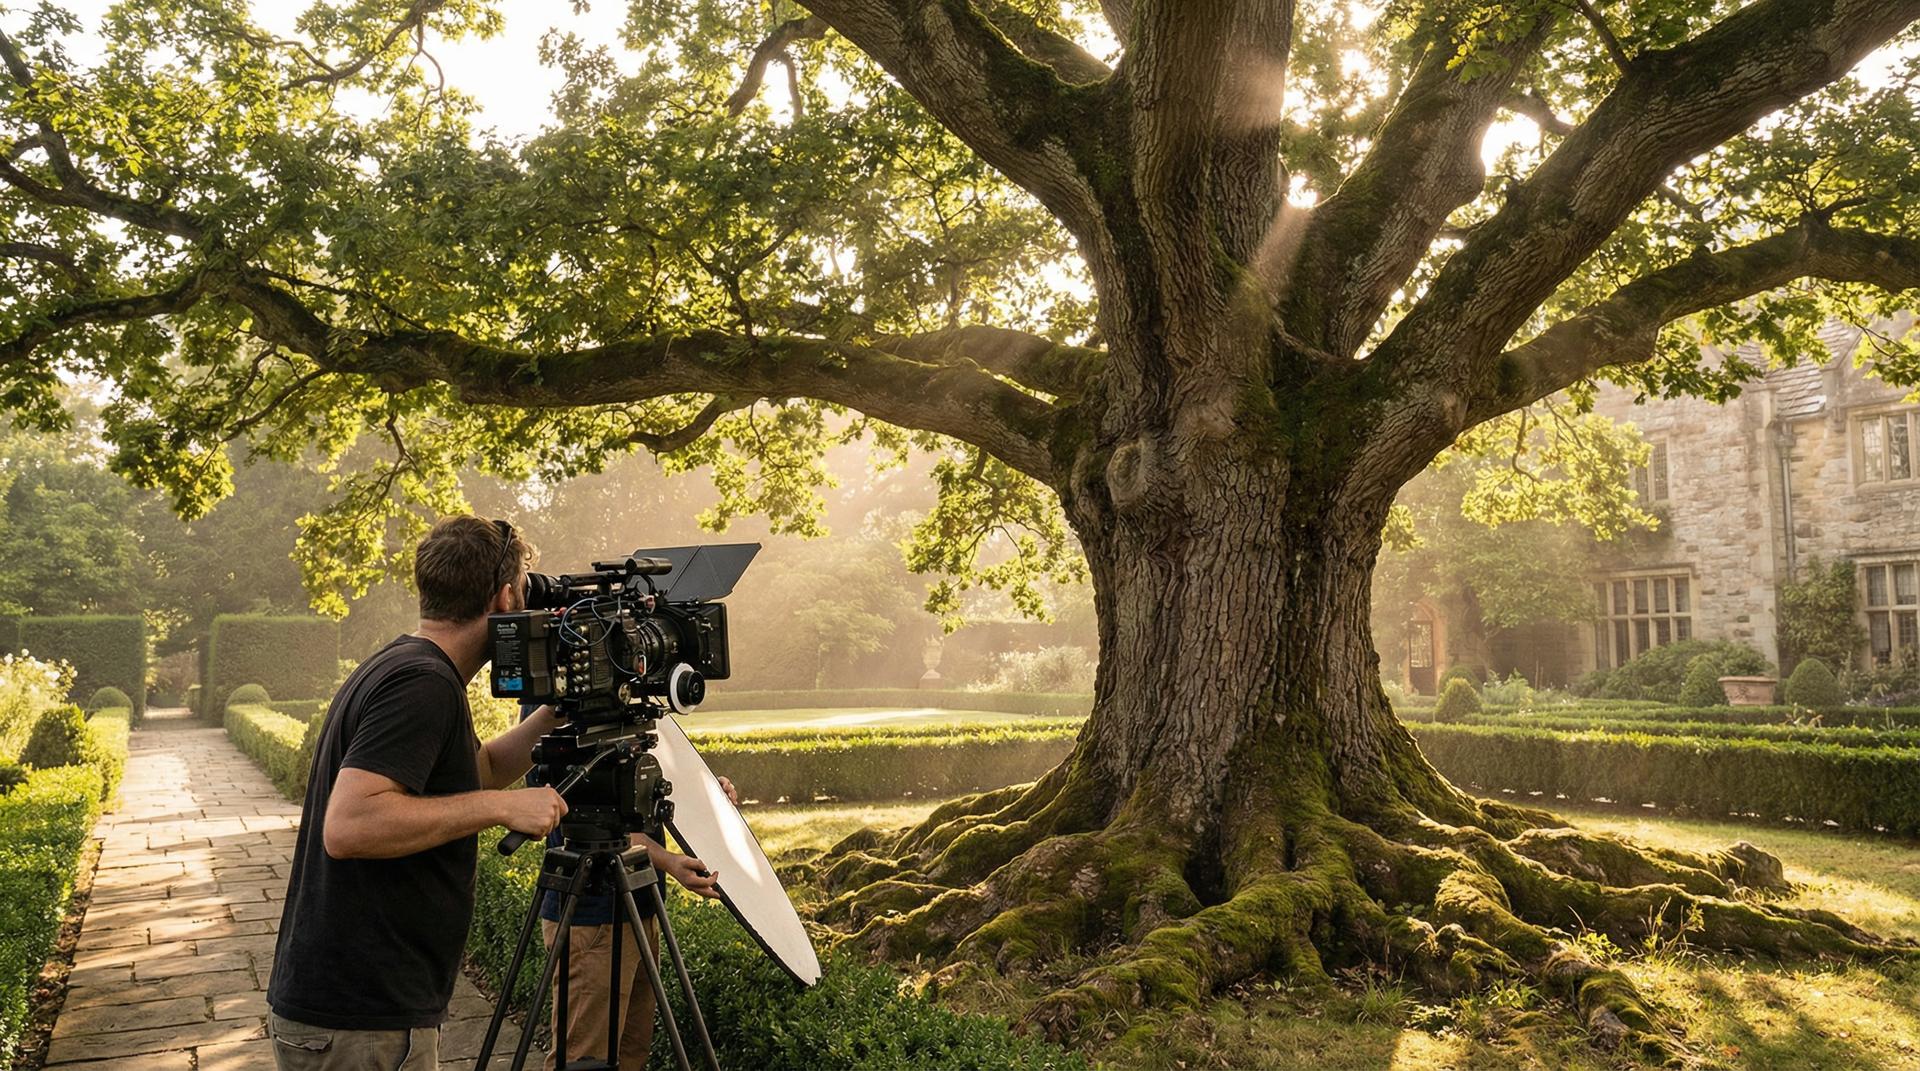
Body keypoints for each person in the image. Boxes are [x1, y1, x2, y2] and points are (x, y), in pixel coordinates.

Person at [267, 516, 569, 1070]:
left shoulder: (412, 666)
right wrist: (503, 808)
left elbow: (476, 772)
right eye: (527, 591)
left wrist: (557, 713)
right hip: (361, 1018)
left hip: (353, 1008)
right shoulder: (423, 684)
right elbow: (350, 825)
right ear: (504, 598)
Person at [521, 700, 736, 1071]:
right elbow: (582, 808)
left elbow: (641, 791)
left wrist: (705, 800)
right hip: (592, 918)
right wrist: (669, 863)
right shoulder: (559, 698)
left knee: (631, 1055)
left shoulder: (626, 693)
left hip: (639, 904)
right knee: (583, 1061)